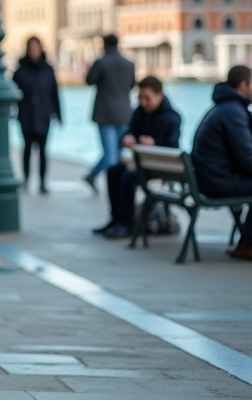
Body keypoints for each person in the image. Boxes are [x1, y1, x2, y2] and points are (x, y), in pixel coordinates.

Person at [94, 75, 180, 239]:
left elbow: (172, 146)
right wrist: (128, 138)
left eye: (147, 98)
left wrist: (154, 143)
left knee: (127, 177)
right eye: (140, 98)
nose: (143, 102)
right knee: (113, 171)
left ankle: (127, 224)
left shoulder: (172, 117)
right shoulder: (139, 112)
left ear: (160, 95)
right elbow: (129, 131)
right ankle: (116, 219)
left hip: (159, 167)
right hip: (139, 163)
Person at [188, 64, 252, 261]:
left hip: (210, 178)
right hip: (219, 182)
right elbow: (248, 160)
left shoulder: (224, 108)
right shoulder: (233, 112)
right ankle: (248, 244)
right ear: (244, 85)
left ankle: (247, 242)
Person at [83, 33, 136, 194]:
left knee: (110, 154)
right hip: (124, 112)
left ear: (105, 45)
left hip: (105, 114)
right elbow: (132, 85)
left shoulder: (101, 62)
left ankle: (93, 175)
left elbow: (89, 80)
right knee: (118, 153)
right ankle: (113, 181)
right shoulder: (129, 64)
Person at [12, 36, 61, 194]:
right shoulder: (20, 71)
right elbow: (13, 93)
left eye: (36, 47)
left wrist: (59, 115)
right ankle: (26, 180)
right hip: (26, 116)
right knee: (26, 149)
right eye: (31, 47)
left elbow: (54, 93)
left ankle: (42, 183)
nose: (34, 51)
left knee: (43, 151)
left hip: (44, 115)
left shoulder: (48, 70)